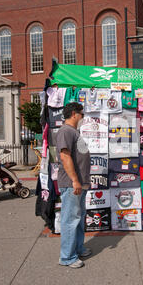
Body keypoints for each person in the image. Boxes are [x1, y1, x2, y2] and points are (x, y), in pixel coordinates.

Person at [55, 102, 91, 269]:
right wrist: (75, 180)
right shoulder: (65, 131)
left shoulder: (73, 132)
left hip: (79, 184)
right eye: (82, 114)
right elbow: (65, 156)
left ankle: (78, 248)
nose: (83, 117)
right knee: (70, 220)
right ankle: (67, 257)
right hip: (72, 184)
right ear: (74, 114)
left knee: (78, 217)